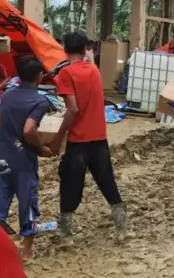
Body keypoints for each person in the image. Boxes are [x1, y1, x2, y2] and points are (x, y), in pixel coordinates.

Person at [51, 31, 127, 248]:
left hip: (79, 140)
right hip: (99, 137)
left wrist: (58, 138)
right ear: (85, 49)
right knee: (107, 181)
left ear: (65, 49)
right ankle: (121, 229)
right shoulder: (94, 70)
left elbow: (72, 109)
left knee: (70, 184)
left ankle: (66, 236)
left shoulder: (65, 74)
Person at [0, 56, 54, 261]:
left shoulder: (6, 95)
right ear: (39, 76)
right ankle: (27, 251)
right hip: (24, 160)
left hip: (0, 158)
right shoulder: (40, 101)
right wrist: (41, 147)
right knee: (28, 204)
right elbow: (29, 129)